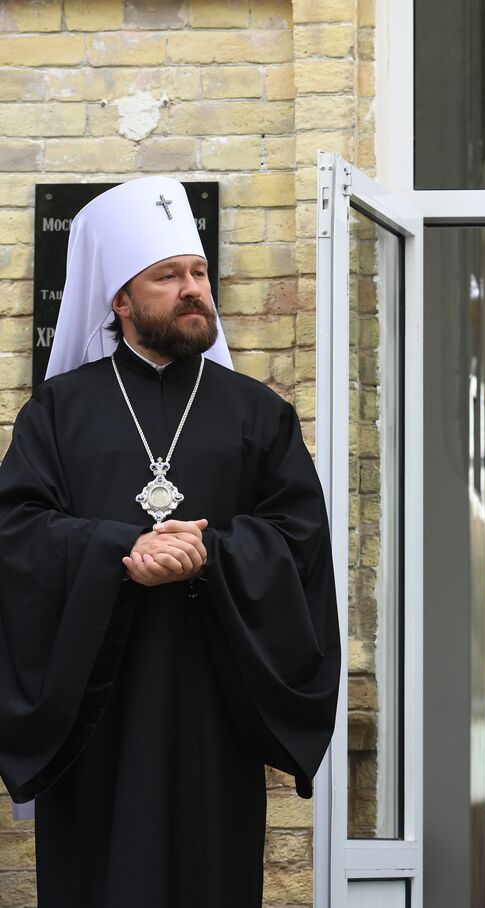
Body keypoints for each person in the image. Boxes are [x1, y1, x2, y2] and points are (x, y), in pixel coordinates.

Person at [0, 176, 340, 907]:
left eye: (198, 273)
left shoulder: (259, 415)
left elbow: (300, 538)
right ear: (121, 300)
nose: (193, 290)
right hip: (96, 714)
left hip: (210, 709)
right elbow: (18, 534)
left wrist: (211, 555)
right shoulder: (58, 411)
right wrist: (122, 552)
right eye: (169, 276)